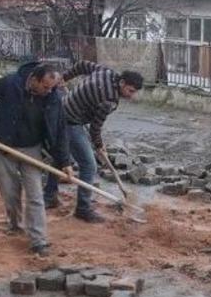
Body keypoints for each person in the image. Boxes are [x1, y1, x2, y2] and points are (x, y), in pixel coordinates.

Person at [0, 62, 74, 256]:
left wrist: (65, 162)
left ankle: (38, 240)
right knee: (10, 193)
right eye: (45, 86)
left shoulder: (53, 97)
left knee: (35, 195)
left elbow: (60, 130)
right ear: (34, 79)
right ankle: (15, 224)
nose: (48, 91)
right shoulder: (10, 83)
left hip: (32, 148)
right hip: (4, 146)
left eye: (52, 87)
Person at [43, 61, 144, 223]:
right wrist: (99, 145)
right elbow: (95, 128)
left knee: (62, 157)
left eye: (134, 93)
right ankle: (83, 208)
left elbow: (82, 65)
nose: (131, 95)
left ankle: (49, 196)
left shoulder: (106, 72)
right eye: (130, 91)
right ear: (122, 83)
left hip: (63, 109)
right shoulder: (109, 100)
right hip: (69, 121)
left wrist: (65, 77)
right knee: (89, 165)